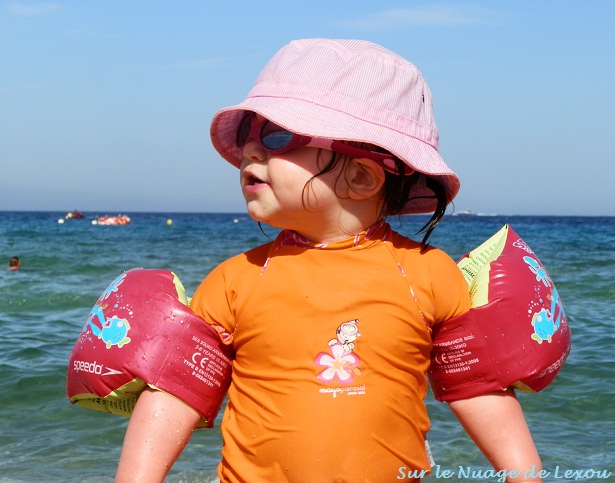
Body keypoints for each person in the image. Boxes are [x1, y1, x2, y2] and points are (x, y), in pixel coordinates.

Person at [115, 39, 542, 482]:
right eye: (247, 137)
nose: (251, 152)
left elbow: (477, 390)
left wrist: (524, 475)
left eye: (278, 136)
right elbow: (176, 395)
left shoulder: (428, 273)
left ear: (362, 176)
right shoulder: (236, 280)